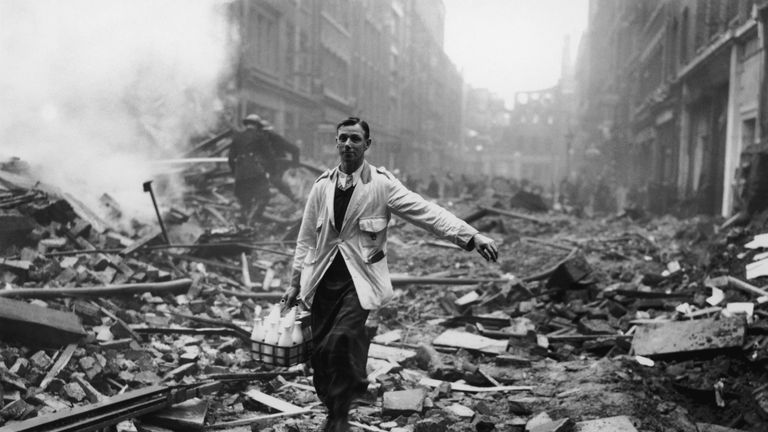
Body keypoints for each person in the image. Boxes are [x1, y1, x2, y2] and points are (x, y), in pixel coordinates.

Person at [281, 117, 499, 431]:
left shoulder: (381, 184)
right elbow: (305, 240)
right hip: (323, 281)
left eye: (355, 139)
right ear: (336, 142)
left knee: (339, 341)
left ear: (367, 145)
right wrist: (293, 282)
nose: (348, 145)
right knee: (322, 355)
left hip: (360, 281)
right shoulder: (322, 186)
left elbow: (426, 212)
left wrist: (471, 236)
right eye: (343, 138)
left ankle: (340, 414)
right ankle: (335, 404)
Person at [227, 114, 273, 224]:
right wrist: (269, 170)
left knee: (244, 201)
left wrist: (236, 172)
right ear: (257, 125)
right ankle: (253, 219)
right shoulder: (260, 136)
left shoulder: (237, 136)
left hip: (241, 174)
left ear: (246, 124)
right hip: (255, 172)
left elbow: (230, 158)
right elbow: (269, 156)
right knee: (265, 195)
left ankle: (244, 225)